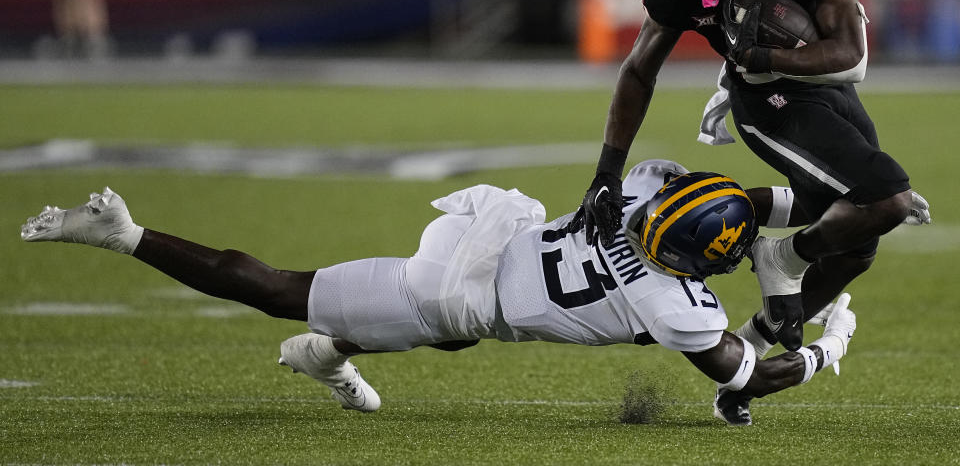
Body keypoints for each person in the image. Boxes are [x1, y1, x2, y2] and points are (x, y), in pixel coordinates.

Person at [21, 159, 857, 426]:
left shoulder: (647, 185)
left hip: (493, 234)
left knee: (450, 334)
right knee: (285, 291)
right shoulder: (673, 302)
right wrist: (824, 350)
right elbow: (749, 373)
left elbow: (741, 202)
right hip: (461, 288)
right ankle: (124, 235)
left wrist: (825, 206)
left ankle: (329, 353)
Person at [579, 0, 930, 415]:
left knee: (857, 241)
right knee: (886, 197)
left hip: (820, 77)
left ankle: (745, 364)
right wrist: (606, 171)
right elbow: (639, 68)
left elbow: (851, 55)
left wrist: (764, 51)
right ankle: (783, 258)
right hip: (765, 100)